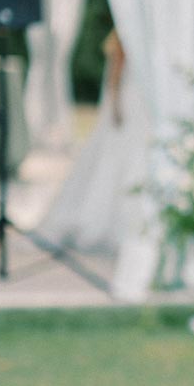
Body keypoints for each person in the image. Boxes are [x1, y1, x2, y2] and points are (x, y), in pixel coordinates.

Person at [39, 28, 147, 254]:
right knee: (115, 161)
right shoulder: (127, 32)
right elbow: (115, 75)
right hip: (128, 105)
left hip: (141, 107)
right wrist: (116, 105)